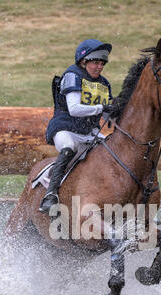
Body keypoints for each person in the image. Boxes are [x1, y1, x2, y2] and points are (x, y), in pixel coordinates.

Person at [39, 38, 114, 214]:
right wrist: (102, 108)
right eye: (95, 62)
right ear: (83, 61)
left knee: (113, 152)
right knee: (69, 147)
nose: (99, 67)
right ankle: (50, 195)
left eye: (102, 63)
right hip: (66, 129)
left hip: (90, 132)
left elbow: (106, 112)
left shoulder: (104, 84)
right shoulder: (72, 75)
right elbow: (74, 109)